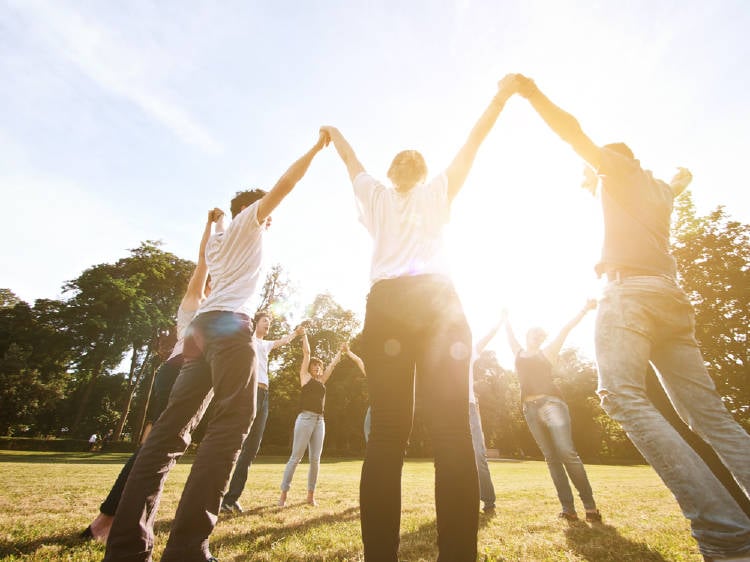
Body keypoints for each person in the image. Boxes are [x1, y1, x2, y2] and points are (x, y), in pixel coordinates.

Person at [515, 75, 750, 562]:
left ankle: (725, 533)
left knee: (620, 395)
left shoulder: (617, 167)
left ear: (614, 160)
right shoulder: (659, 190)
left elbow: (572, 131)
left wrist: (533, 93)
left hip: (631, 294)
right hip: (671, 297)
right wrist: (683, 175)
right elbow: (673, 184)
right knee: (710, 416)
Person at [104, 131, 329, 562]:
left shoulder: (220, 235)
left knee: (170, 431)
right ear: (254, 210)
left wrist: (212, 221)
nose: (270, 219)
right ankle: (188, 547)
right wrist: (316, 150)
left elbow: (203, 257)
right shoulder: (250, 221)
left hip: (200, 331)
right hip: (229, 328)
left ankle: (126, 548)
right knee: (231, 425)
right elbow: (286, 184)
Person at [321, 73, 520, 561]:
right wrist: (500, 96)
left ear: (395, 172)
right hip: (436, 303)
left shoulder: (376, 193)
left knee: (388, 432)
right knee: (451, 429)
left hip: (389, 304)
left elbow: (351, 161)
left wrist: (332, 133)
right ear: (420, 172)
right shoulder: (435, 192)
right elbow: (474, 142)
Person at [81, 208, 222, 542]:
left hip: (183, 376)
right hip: (178, 373)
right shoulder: (194, 303)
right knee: (153, 452)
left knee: (154, 450)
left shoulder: (222, 309)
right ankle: (106, 521)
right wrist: (211, 225)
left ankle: (109, 520)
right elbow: (204, 260)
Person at [501, 302, 601, 522]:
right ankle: (568, 509)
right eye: (534, 334)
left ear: (543, 339)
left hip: (552, 404)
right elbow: (509, 335)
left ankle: (590, 507)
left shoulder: (548, 352)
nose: (537, 338)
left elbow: (565, 329)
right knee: (551, 458)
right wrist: (505, 317)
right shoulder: (518, 353)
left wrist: (583, 309)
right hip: (529, 409)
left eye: (540, 336)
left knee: (566, 453)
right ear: (527, 335)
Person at [221, 313, 305, 513]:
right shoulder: (246, 340)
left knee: (251, 449)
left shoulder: (265, 344)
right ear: (255, 323)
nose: (268, 323)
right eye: (265, 320)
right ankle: (216, 493)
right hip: (248, 392)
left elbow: (283, 341)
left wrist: (297, 332)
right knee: (235, 442)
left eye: (270, 322)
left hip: (264, 395)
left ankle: (231, 498)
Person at [278, 330, 345, 507]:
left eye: (318, 366)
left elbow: (332, 366)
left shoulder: (322, 381)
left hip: (319, 421)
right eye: (314, 366)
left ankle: (310, 496)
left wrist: (340, 352)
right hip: (305, 419)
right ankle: (283, 495)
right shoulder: (305, 378)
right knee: (296, 457)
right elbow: (307, 353)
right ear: (309, 368)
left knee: (315, 459)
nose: (316, 367)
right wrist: (304, 334)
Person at [468, 321, 505, 515]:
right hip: (447, 410)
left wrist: (498, 321)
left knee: (478, 455)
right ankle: (460, 500)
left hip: (469, 407)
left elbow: (486, 338)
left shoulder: (469, 352)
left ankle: (488, 501)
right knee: (451, 458)